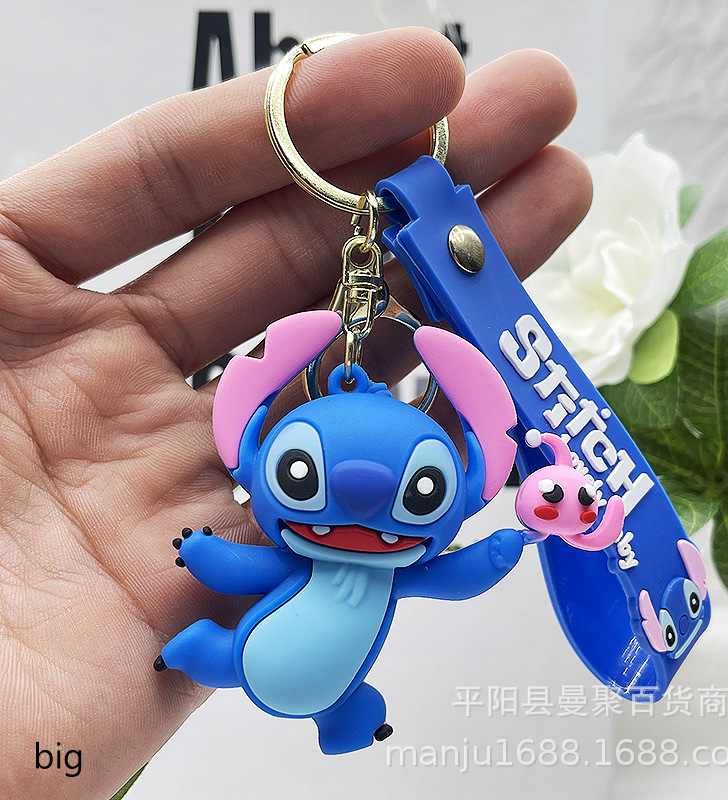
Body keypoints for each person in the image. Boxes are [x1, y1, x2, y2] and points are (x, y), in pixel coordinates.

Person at [0, 26, 591, 800]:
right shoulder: (368, 565)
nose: (356, 496)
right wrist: (202, 554)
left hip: (291, 670)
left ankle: (335, 719)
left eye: (422, 492)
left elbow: (455, 573)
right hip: (253, 656)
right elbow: (247, 565)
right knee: (212, 650)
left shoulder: (394, 567)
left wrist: (508, 547)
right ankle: (215, 662)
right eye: (304, 477)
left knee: (306, 689)